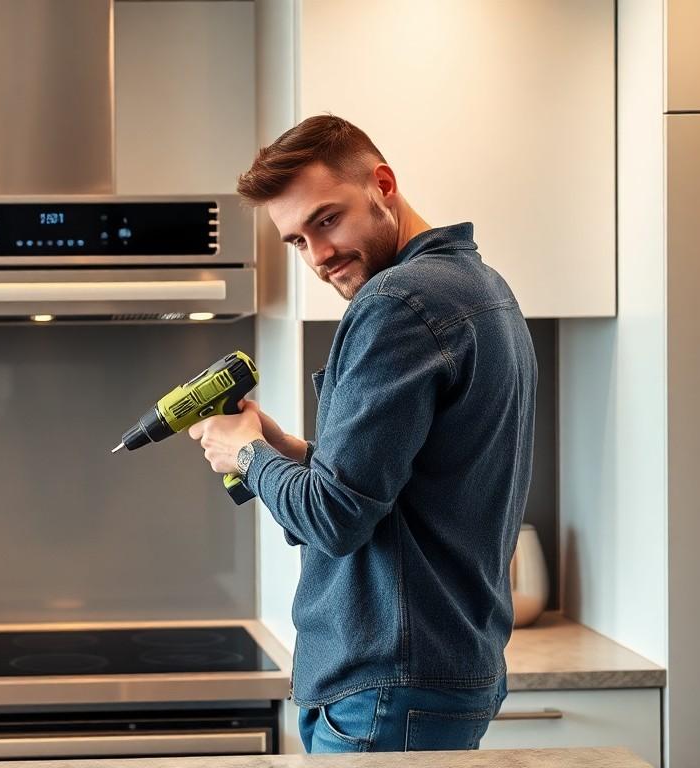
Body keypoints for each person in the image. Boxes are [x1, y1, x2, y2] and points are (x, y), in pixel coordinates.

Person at [188, 115, 538, 753]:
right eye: (296, 240)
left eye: (326, 220)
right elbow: (391, 489)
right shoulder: (484, 290)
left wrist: (245, 452)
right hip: (442, 666)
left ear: (382, 184)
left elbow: (334, 517)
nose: (318, 258)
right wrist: (284, 450)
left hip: (387, 681)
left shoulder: (397, 304)